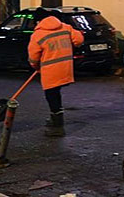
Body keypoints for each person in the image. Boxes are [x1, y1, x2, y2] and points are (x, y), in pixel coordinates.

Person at [28, 8, 83, 137]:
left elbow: (33, 56)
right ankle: (54, 119)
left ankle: (58, 127)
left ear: (38, 21)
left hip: (50, 71)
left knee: (52, 96)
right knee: (55, 94)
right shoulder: (66, 27)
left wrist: (36, 66)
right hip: (65, 68)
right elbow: (79, 40)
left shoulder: (38, 35)